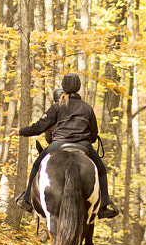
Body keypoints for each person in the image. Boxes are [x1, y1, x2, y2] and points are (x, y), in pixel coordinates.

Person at [18, 73, 119, 218]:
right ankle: (104, 206)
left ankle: (27, 199)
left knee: (37, 165)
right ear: (78, 87)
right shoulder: (87, 108)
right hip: (83, 145)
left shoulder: (57, 106)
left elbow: (40, 126)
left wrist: (21, 131)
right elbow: (94, 134)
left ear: (64, 87)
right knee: (101, 170)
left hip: (58, 144)